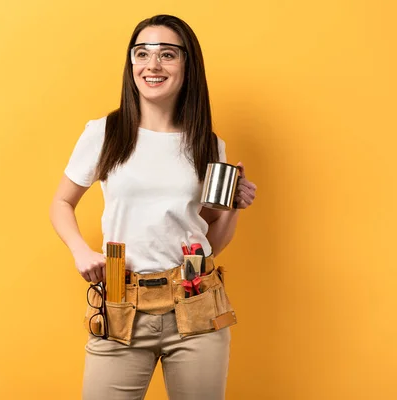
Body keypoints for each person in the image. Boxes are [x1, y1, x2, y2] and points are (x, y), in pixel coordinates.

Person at [49, 14, 257, 400]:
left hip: (195, 301)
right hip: (121, 304)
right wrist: (80, 250)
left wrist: (233, 207)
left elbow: (211, 239)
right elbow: (61, 202)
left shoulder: (208, 143)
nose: (152, 65)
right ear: (131, 65)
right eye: (141, 53)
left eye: (167, 55)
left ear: (187, 65)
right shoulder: (106, 133)